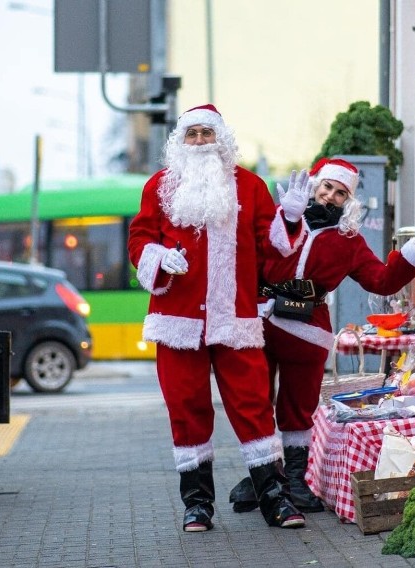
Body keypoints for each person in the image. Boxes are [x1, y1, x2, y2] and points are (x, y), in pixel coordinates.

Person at [128, 104, 310, 532]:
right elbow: (139, 238)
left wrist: (292, 217)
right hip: (177, 320)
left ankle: (274, 497)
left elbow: (275, 247)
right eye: (191, 135)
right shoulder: (159, 186)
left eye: (206, 134)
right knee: (186, 408)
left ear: (221, 139)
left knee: (252, 407)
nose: (199, 142)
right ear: (180, 141)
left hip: (235, 318)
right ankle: (197, 503)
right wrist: (157, 257)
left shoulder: (250, 186)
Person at [229, 157, 415, 513]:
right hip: (259, 325)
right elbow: (252, 258)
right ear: (315, 186)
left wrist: (412, 256)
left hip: (307, 330)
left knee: (297, 409)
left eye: (341, 192)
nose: (330, 196)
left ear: (349, 200)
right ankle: (265, 477)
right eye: (327, 187)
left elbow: (381, 280)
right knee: (254, 402)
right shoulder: (280, 222)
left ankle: (295, 483)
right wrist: (287, 219)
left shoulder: (349, 241)